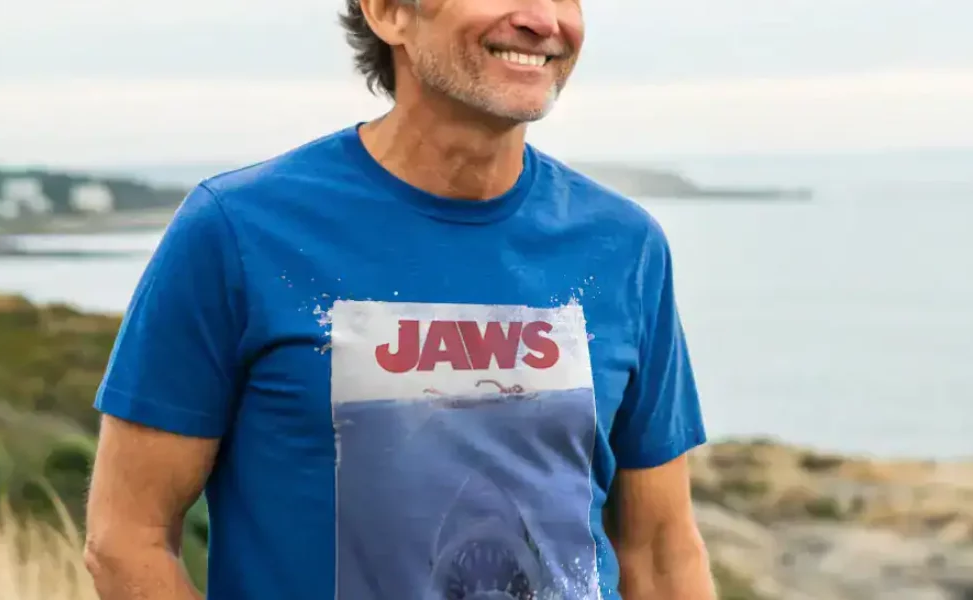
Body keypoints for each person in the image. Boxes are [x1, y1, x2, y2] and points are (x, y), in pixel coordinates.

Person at [79, 0, 714, 598]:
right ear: (387, 11)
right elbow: (126, 538)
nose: (543, 19)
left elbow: (661, 553)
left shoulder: (622, 246)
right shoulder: (239, 230)